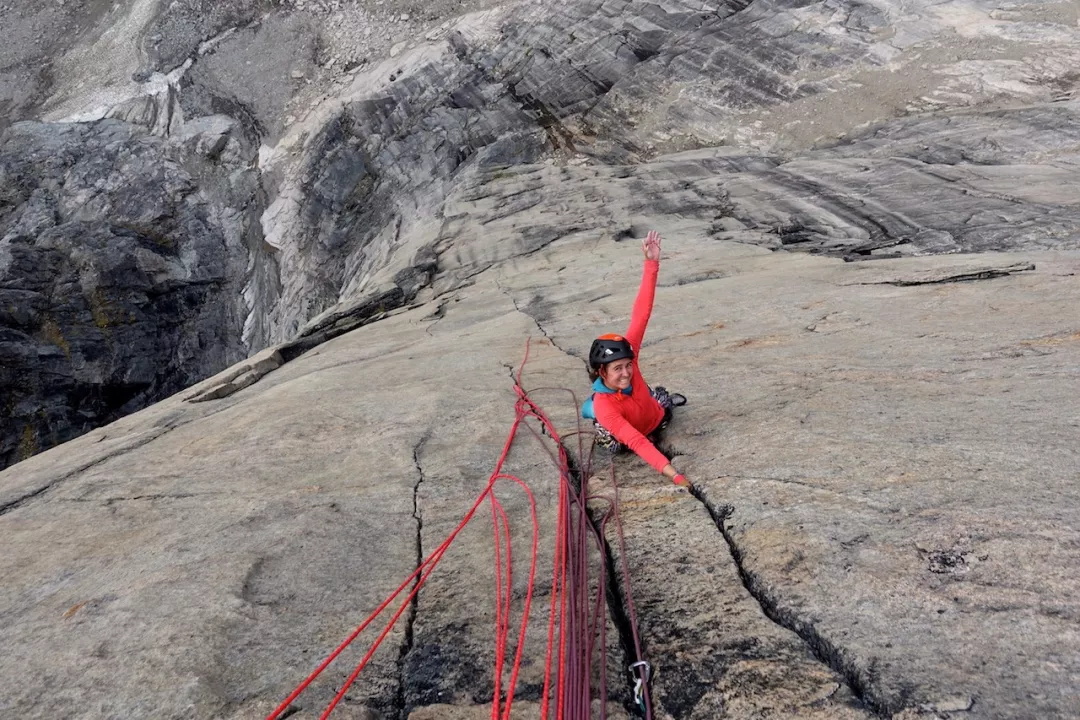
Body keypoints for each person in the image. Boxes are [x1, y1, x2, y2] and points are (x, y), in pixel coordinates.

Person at [580, 230, 689, 486]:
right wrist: (674, 475)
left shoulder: (630, 353)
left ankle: (654, 402)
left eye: (628, 365)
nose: (627, 372)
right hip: (625, 433)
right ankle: (593, 412)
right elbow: (637, 441)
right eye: (617, 368)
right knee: (614, 441)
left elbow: (641, 314)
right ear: (601, 372)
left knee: (661, 402)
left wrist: (651, 264)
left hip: (656, 416)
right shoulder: (607, 407)